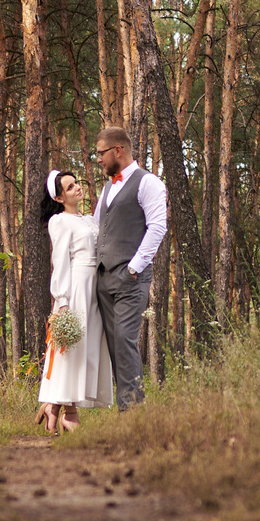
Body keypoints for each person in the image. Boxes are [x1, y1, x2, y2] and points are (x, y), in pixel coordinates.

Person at [90, 127, 166, 412]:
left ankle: (132, 411)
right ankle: (127, 408)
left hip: (130, 278)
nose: (98, 159)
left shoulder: (149, 183)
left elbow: (158, 227)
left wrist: (134, 269)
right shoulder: (109, 185)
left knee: (124, 339)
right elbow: (98, 226)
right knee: (114, 344)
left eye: (101, 153)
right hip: (104, 278)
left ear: (118, 150)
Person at [34, 169, 111, 432]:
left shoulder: (90, 220)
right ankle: (68, 411)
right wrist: (63, 300)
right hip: (76, 288)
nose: (77, 188)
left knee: (87, 346)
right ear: (58, 198)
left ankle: (53, 406)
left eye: (76, 183)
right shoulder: (61, 221)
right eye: (69, 187)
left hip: (95, 288)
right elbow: (60, 262)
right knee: (72, 348)